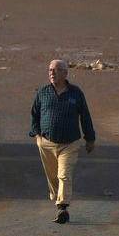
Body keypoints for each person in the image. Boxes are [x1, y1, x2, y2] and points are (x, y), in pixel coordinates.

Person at [29, 59, 96, 224]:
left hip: (70, 143)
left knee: (64, 175)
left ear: (65, 73)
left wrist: (90, 138)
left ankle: (62, 207)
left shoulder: (76, 93)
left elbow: (85, 116)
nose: (52, 72)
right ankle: (57, 197)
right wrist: (37, 135)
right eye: (50, 69)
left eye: (57, 70)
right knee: (52, 176)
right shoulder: (43, 93)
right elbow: (34, 114)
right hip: (46, 143)